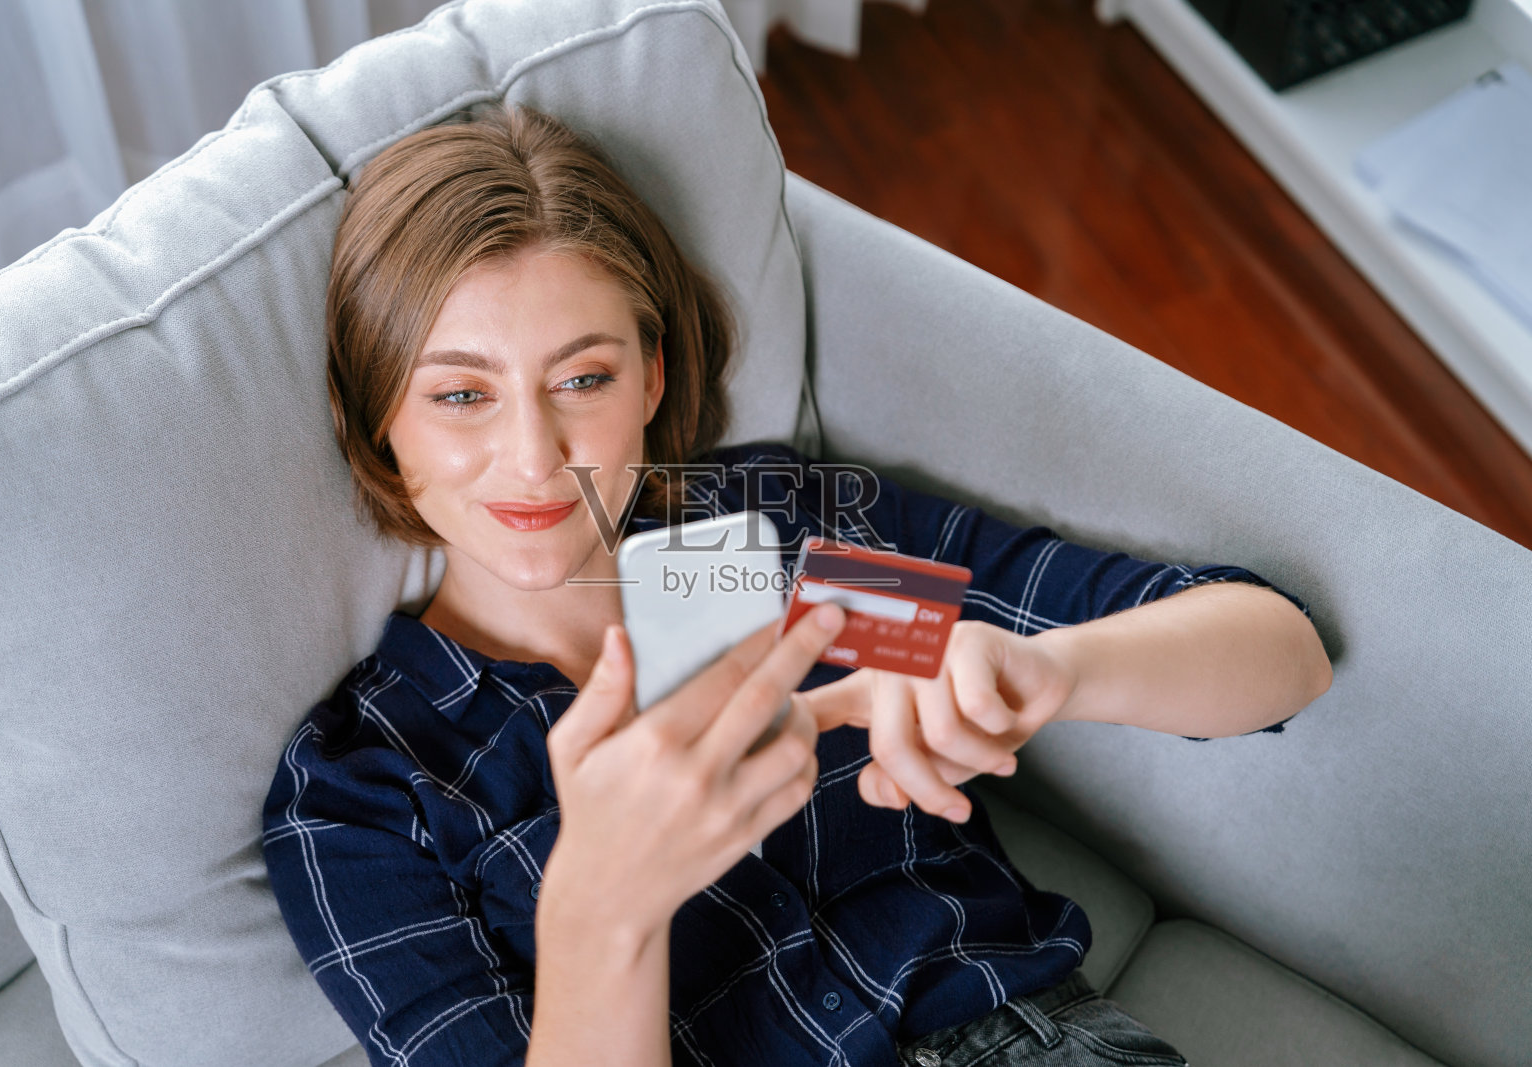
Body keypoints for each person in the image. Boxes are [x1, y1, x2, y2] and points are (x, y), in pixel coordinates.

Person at [261, 102, 1333, 1067]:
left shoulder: (774, 544)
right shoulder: (365, 793)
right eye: (460, 395)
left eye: (583, 378)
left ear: (652, 380)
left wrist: (1047, 667)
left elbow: (1281, 652)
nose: (536, 456)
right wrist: (603, 912)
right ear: (380, 419)